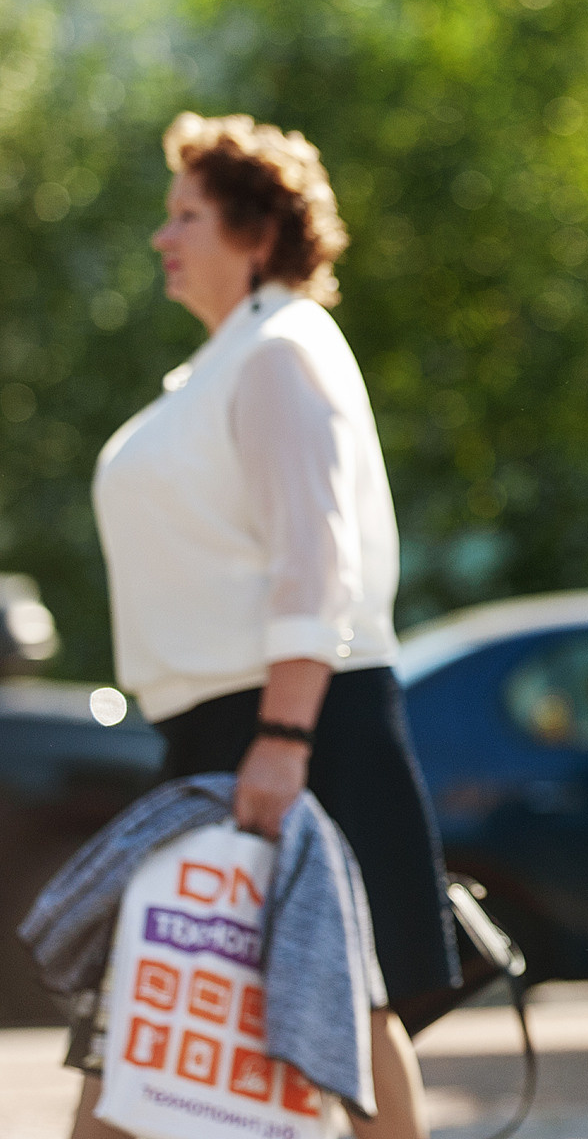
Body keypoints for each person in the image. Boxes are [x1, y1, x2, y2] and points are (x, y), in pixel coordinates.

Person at [69, 113, 456, 1139]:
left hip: (290, 725)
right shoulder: (223, 365)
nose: (163, 237)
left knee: (345, 1006)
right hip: (219, 730)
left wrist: (282, 740)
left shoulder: (284, 347)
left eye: (184, 215)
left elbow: (313, 558)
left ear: (254, 231)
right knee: (155, 1003)